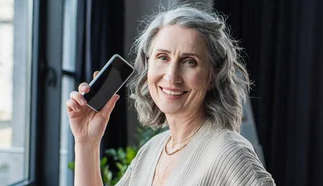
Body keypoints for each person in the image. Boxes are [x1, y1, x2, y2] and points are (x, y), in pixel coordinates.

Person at [66, 5, 275, 186]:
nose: (172, 75)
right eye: (163, 57)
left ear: (212, 76)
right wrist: (87, 142)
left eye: (189, 61)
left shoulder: (230, 154)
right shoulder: (152, 150)